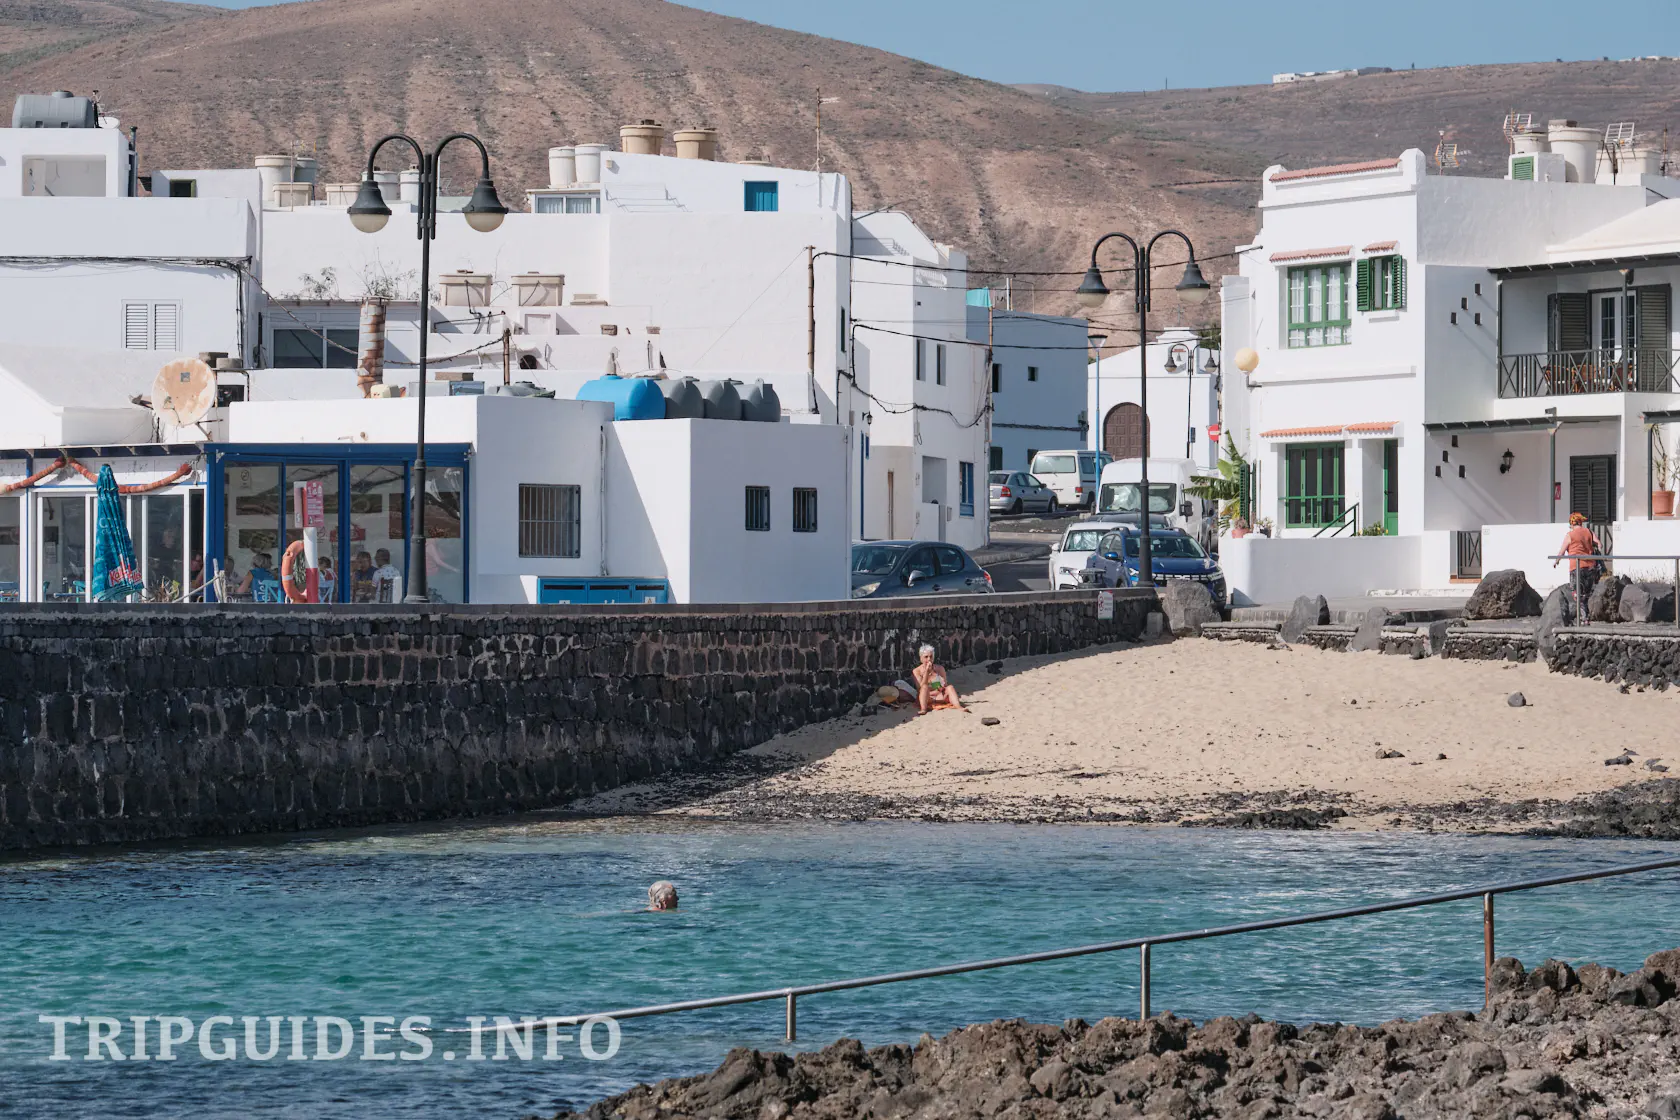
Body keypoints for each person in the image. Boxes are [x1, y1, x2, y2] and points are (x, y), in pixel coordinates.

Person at [1553, 513, 1604, 594]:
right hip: (1590, 566)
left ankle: (1579, 601)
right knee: (1589, 593)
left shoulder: (1570, 535)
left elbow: (1562, 552)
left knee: (1577, 594)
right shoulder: (1589, 531)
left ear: (1572, 523)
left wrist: (1557, 561)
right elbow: (1599, 544)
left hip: (1576, 567)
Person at [912, 643, 965, 714]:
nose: (929, 659)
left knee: (950, 687)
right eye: (926, 657)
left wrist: (934, 674)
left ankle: (958, 706)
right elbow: (920, 688)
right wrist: (927, 672)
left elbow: (944, 685)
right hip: (927, 697)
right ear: (921, 658)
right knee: (924, 687)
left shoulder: (940, 668)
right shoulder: (916, 671)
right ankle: (923, 709)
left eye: (931, 657)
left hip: (939, 694)